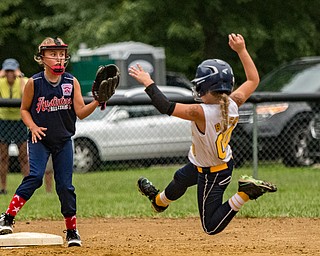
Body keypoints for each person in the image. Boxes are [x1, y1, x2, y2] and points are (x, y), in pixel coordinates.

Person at [129, 33, 277, 235]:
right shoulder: (233, 103)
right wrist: (241, 51)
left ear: (206, 87)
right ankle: (158, 202)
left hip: (213, 172)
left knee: (210, 226)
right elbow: (253, 79)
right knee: (180, 178)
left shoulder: (200, 112)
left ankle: (244, 194)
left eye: (199, 85)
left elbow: (165, 106)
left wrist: (148, 82)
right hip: (211, 162)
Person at [0, 37, 101, 247]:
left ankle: (72, 231)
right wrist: (33, 127)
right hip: (40, 140)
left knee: (65, 186)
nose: (58, 58)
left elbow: (81, 112)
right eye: (53, 54)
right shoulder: (34, 83)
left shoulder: (70, 82)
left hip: (63, 141)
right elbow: (24, 110)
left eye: (62, 54)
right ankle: (8, 217)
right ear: (42, 58)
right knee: (35, 177)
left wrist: (98, 101)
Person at [0, 58, 29, 194]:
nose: (10, 74)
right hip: (4, 121)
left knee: (23, 156)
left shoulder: (23, 81)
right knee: (3, 157)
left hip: (19, 121)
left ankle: (27, 187)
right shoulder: (1, 82)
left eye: (12, 70)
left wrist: (21, 78)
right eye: (8, 71)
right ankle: (3, 187)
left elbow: (26, 94)